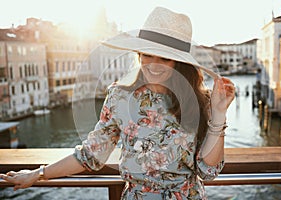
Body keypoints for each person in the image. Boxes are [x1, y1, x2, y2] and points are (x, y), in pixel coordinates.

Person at [0, 7, 235, 200]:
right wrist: (38, 174)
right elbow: (91, 155)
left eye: (165, 58)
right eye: (147, 55)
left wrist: (218, 114)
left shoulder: (200, 100)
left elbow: (208, 170)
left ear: (179, 64)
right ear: (138, 54)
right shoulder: (118, 97)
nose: (153, 65)